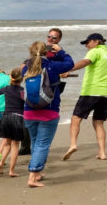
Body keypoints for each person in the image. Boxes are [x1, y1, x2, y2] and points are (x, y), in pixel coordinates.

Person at [63, 33, 107, 161]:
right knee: (99, 123)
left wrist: (68, 70)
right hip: (106, 96)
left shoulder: (95, 52)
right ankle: (102, 153)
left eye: (87, 43)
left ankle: (73, 144)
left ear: (96, 42)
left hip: (91, 92)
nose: (86, 46)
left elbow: (84, 62)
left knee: (76, 118)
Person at [21, 41, 74, 187]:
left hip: (29, 111)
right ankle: (32, 175)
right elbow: (70, 63)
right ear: (46, 52)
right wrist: (61, 51)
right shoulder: (52, 66)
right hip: (49, 111)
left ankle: (37, 173)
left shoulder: (26, 67)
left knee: (35, 142)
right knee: (42, 144)